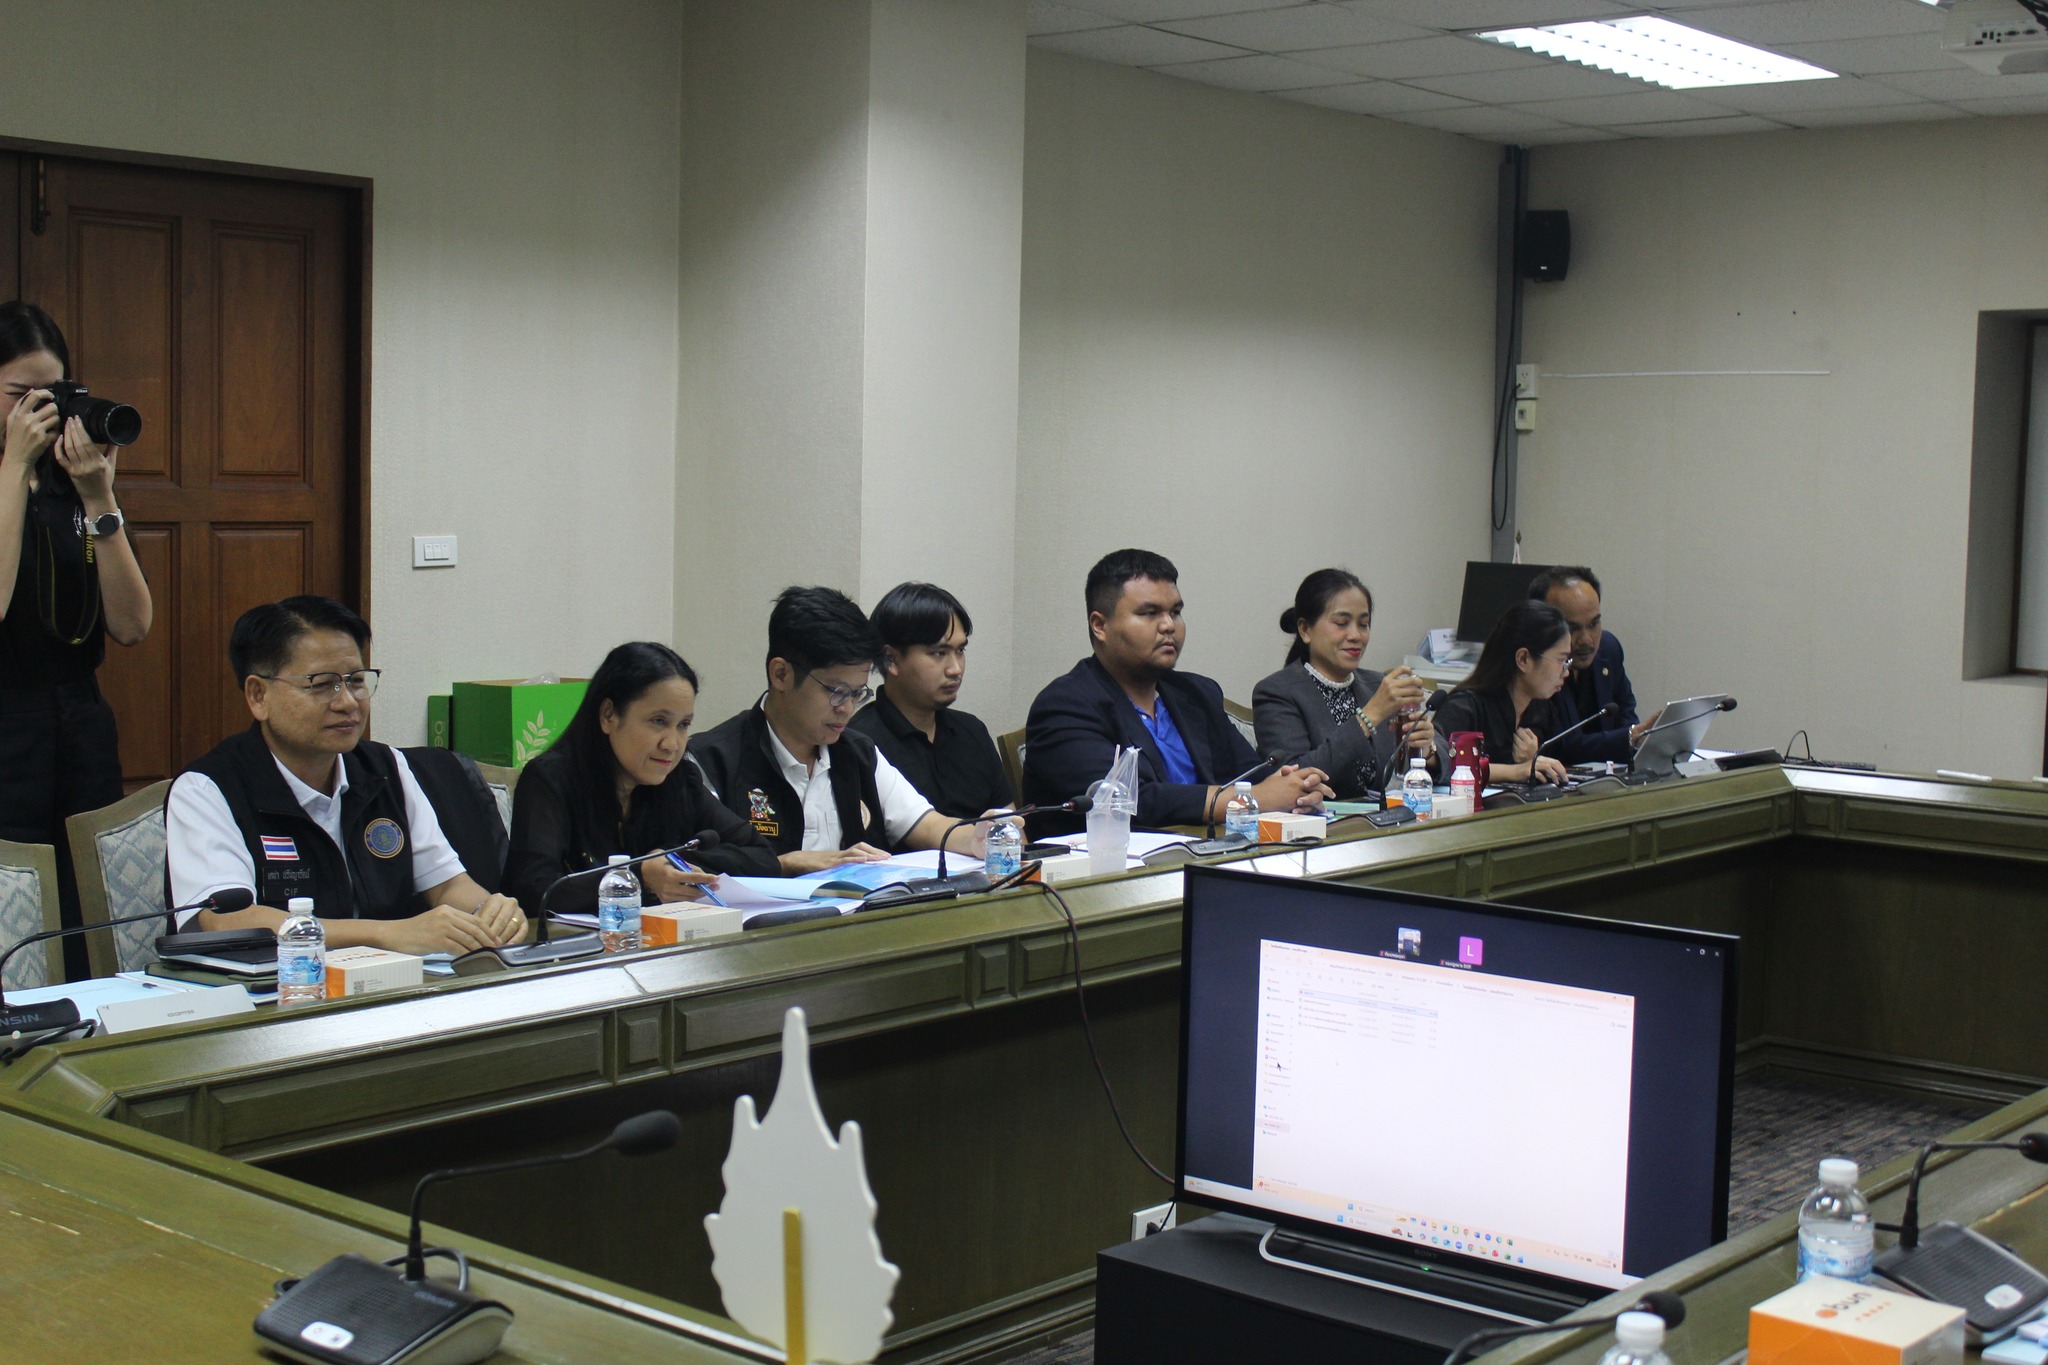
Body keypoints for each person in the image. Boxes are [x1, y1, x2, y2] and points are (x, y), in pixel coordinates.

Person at [166, 596, 527, 955]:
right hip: (275, 985)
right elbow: (228, 920)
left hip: (390, 979)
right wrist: (384, 934)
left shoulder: (386, 768)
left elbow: (447, 886)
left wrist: (489, 914)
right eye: (322, 684)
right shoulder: (207, 789)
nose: (348, 702)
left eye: (355, 681)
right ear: (259, 695)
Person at [0, 302, 153, 971]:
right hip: (7, 718)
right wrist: (14, 468)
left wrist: (99, 499)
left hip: (79, 718)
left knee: (86, 900)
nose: (40, 410)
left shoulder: (76, 481)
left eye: (53, 392)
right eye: (19, 394)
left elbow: (132, 624)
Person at [1022, 548, 1329, 835]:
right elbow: (1131, 802)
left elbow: (1250, 777)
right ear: (1100, 625)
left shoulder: (1197, 693)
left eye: (1176, 612)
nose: (1169, 625)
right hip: (1109, 869)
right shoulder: (1064, 705)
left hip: (1211, 857)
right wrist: (1254, 799)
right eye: (1149, 613)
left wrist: (1295, 789)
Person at [691, 586, 996, 874]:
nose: (847, 708)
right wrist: (785, 865)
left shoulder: (857, 752)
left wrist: (981, 838)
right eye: (836, 692)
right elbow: (693, 868)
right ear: (781, 674)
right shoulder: (711, 760)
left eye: (857, 693)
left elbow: (927, 825)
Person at [504, 641, 779, 916]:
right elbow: (533, 890)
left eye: (683, 725)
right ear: (609, 715)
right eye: (659, 721)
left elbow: (762, 856)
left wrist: (673, 863)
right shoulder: (551, 779)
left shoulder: (682, 779)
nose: (672, 744)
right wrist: (639, 876)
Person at [1252, 569, 1447, 800]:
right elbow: (1294, 779)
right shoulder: (1276, 693)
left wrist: (1428, 751)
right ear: (1305, 630)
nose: (1356, 635)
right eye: (1341, 623)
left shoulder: (1377, 685)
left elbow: (1450, 761)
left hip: (1382, 817)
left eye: (1363, 624)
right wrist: (1370, 716)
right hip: (1320, 820)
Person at [847, 581, 1013, 819]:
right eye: (938, 653)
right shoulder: (860, 744)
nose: (955, 669)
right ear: (890, 659)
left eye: (960, 651)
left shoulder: (972, 731)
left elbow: (1011, 828)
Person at [1432, 601, 1573, 786]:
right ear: (1523, 659)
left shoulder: (1542, 709)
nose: (1566, 672)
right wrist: (1517, 771)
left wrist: (1535, 760)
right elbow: (1442, 766)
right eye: (1561, 660)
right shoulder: (1464, 707)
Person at [1527, 565, 1657, 764]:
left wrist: (1640, 737)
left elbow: (1626, 717)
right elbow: (1558, 747)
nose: (1587, 640)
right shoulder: (1533, 667)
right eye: (1572, 628)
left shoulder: (1608, 650)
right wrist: (1631, 738)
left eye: (1594, 624)